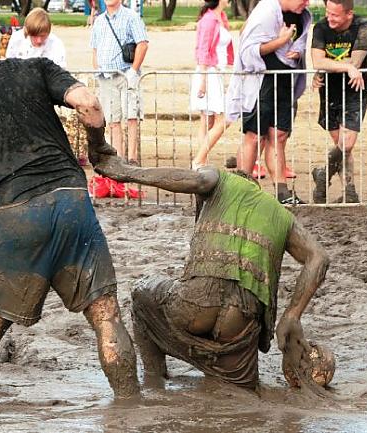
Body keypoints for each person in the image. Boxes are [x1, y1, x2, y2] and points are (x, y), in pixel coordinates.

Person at [0, 7, 140, 400]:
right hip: (72, 203)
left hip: (17, 215)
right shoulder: (36, 68)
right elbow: (89, 103)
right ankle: (130, 406)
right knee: (106, 315)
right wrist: (99, 150)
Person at [94, 155, 330, 389]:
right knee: (240, 391)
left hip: (195, 303)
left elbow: (199, 182)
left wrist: (126, 172)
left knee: (142, 293)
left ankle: (154, 379)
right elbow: (319, 257)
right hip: (241, 321)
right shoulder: (283, 216)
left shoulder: (221, 178)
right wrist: (292, 315)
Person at [225, 0, 311, 205]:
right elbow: (250, 50)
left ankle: (282, 192)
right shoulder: (266, 12)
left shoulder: (303, 15)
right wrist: (281, 41)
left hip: (284, 80)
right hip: (261, 81)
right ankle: (243, 191)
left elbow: (300, 40)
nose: (307, 2)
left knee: (279, 136)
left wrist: (297, 50)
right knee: (254, 136)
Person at [310, 0, 367, 203]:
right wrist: (345, 68)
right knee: (341, 144)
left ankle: (323, 172)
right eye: (328, 13)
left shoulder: (363, 26)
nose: (330, 18)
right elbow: (317, 61)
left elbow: (356, 61)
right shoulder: (321, 27)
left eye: (335, 15)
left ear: (349, 14)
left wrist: (334, 65)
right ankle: (349, 189)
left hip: (354, 91)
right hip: (329, 91)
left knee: (346, 143)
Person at [90, 0, 148, 165]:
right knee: (113, 120)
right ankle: (118, 158)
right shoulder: (99, 21)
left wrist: (133, 70)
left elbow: (142, 44)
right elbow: (94, 49)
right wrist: (97, 70)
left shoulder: (131, 17)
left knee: (131, 116)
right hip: (106, 76)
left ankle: (132, 158)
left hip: (125, 74)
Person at [190, 0, 234, 169]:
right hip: (209, 72)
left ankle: (202, 161)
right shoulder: (209, 19)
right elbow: (202, 49)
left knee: (207, 121)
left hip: (217, 71)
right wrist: (203, 79)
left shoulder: (221, 17)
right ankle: (199, 160)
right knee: (222, 119)